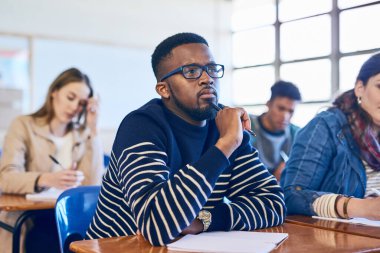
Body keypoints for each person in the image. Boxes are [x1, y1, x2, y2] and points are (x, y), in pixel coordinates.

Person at [85, 32, 285, 246]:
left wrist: (204, 221)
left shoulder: (226, 127)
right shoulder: (141, 126)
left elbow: (273, 204)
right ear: (164, 89)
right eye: (191, 71)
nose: (208, 78)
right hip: (116, 248)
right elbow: (157, 226)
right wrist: (224, 146)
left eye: (211, 69)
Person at [0, 68, 104, 253]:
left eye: (81, 103)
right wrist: (46, 179)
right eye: (70, 97)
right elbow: (5, 178)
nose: (74, 108)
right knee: (46, 238)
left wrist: (93, 130)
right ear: (54, 92)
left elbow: (92, 184)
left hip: (67, 217)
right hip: (31, 218)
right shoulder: (23, 125)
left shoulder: (81, 134)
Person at [281, 52, 380, 221]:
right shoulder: (325, 126)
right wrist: (362, 207)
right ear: (359, 88)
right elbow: (290, 197)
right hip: (336, 240)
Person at [249, 81, 301, 180]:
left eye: (291, 111)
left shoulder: (297, 134)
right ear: (269, 104)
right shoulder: (248, 125)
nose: (285, 116)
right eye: (281, 108)